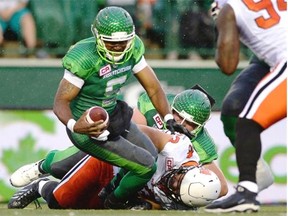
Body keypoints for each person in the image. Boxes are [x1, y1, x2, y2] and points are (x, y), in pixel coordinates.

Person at [48, 6, 183, 209]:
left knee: (150, 153)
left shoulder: (134, 47)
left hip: (113, 114)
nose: (119, 47)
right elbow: (60, 102)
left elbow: (153, 87)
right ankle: (113, 203)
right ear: (98, 37)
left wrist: (168, 117)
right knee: (145, 165)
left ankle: (110, 190)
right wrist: (75, 126)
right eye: (112, 42)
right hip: (88, 126)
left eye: (123, 42)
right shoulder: (84, 57)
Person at [8, 124, 221, 210]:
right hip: (115, 160)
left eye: (175, 188)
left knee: (59, 201)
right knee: (60, 166)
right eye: (178, 178)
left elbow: (156, 204)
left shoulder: (182, 205)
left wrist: (145, 205)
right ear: (190, 169)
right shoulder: (180, 150)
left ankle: (40, 187)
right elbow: (143, 134)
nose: (171, 182)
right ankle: (41, 167)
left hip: (119, 188)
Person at [205, 0, 287, 213]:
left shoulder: (229, 9)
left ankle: (247, 190)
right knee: (236, 108)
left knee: (248, 121)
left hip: (282, 60)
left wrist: (222, 23)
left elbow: (227, 65)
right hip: (267, 60)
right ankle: (253, 179)